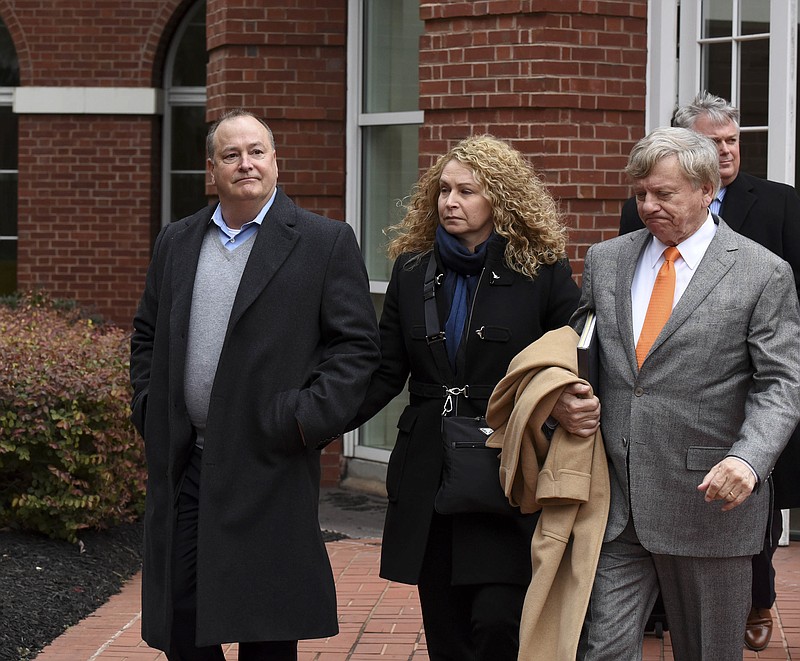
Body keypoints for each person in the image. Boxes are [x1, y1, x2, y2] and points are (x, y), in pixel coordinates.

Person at [129, 109, 380, 660]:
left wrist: (303, 418)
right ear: (211, 170)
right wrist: (149, 407)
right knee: (181, 620)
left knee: (267, 627)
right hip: (186, 459)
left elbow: (357, 349)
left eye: (256, 152)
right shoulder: (177, 240)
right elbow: (146, 334)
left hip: (269, 460)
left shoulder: (324, 242)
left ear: (275, 161)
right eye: (231, 155)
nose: (246, 164)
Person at [559, 127, 800, 660]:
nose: (648, 206)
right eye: (640, 193)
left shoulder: (763, 273)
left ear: (707, 189)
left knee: (707, 652)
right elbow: (579, 348)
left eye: (663, 194)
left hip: (710, 501)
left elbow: (780, 383)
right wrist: (565, 395)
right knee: (603, 649)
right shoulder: (607, 260)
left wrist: (750, 458)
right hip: (616, 499)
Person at [347, 134, 582, 661]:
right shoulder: (412, 271)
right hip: (428, 466)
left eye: (467, 191)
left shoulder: (539, 270)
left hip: (505, 464)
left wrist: (567, 401)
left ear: (498, 199)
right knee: (446, 628)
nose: (450, 202)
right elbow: (385, 371)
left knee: (498, 622)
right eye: (444, 190)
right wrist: (317, 420)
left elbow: (574, 349)